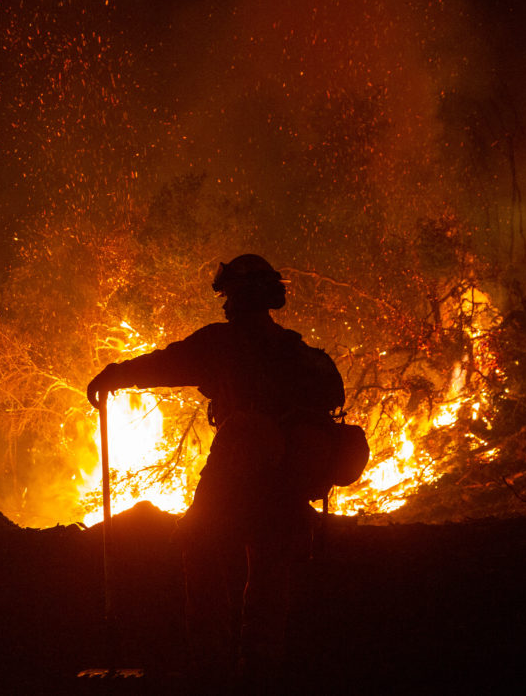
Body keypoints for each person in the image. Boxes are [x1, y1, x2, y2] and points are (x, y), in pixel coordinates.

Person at [86, 253, 344, 692]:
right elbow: (330, 402)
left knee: (200, 542)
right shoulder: (301, 354)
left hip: (240, 461)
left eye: (227, 297)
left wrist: (113, 375)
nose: (223, 306)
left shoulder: (221, 344)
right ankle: (260, 672)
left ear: (241, 298)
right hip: (286, 483)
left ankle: (210, 669)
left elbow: (165, 364)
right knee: (268, 566)